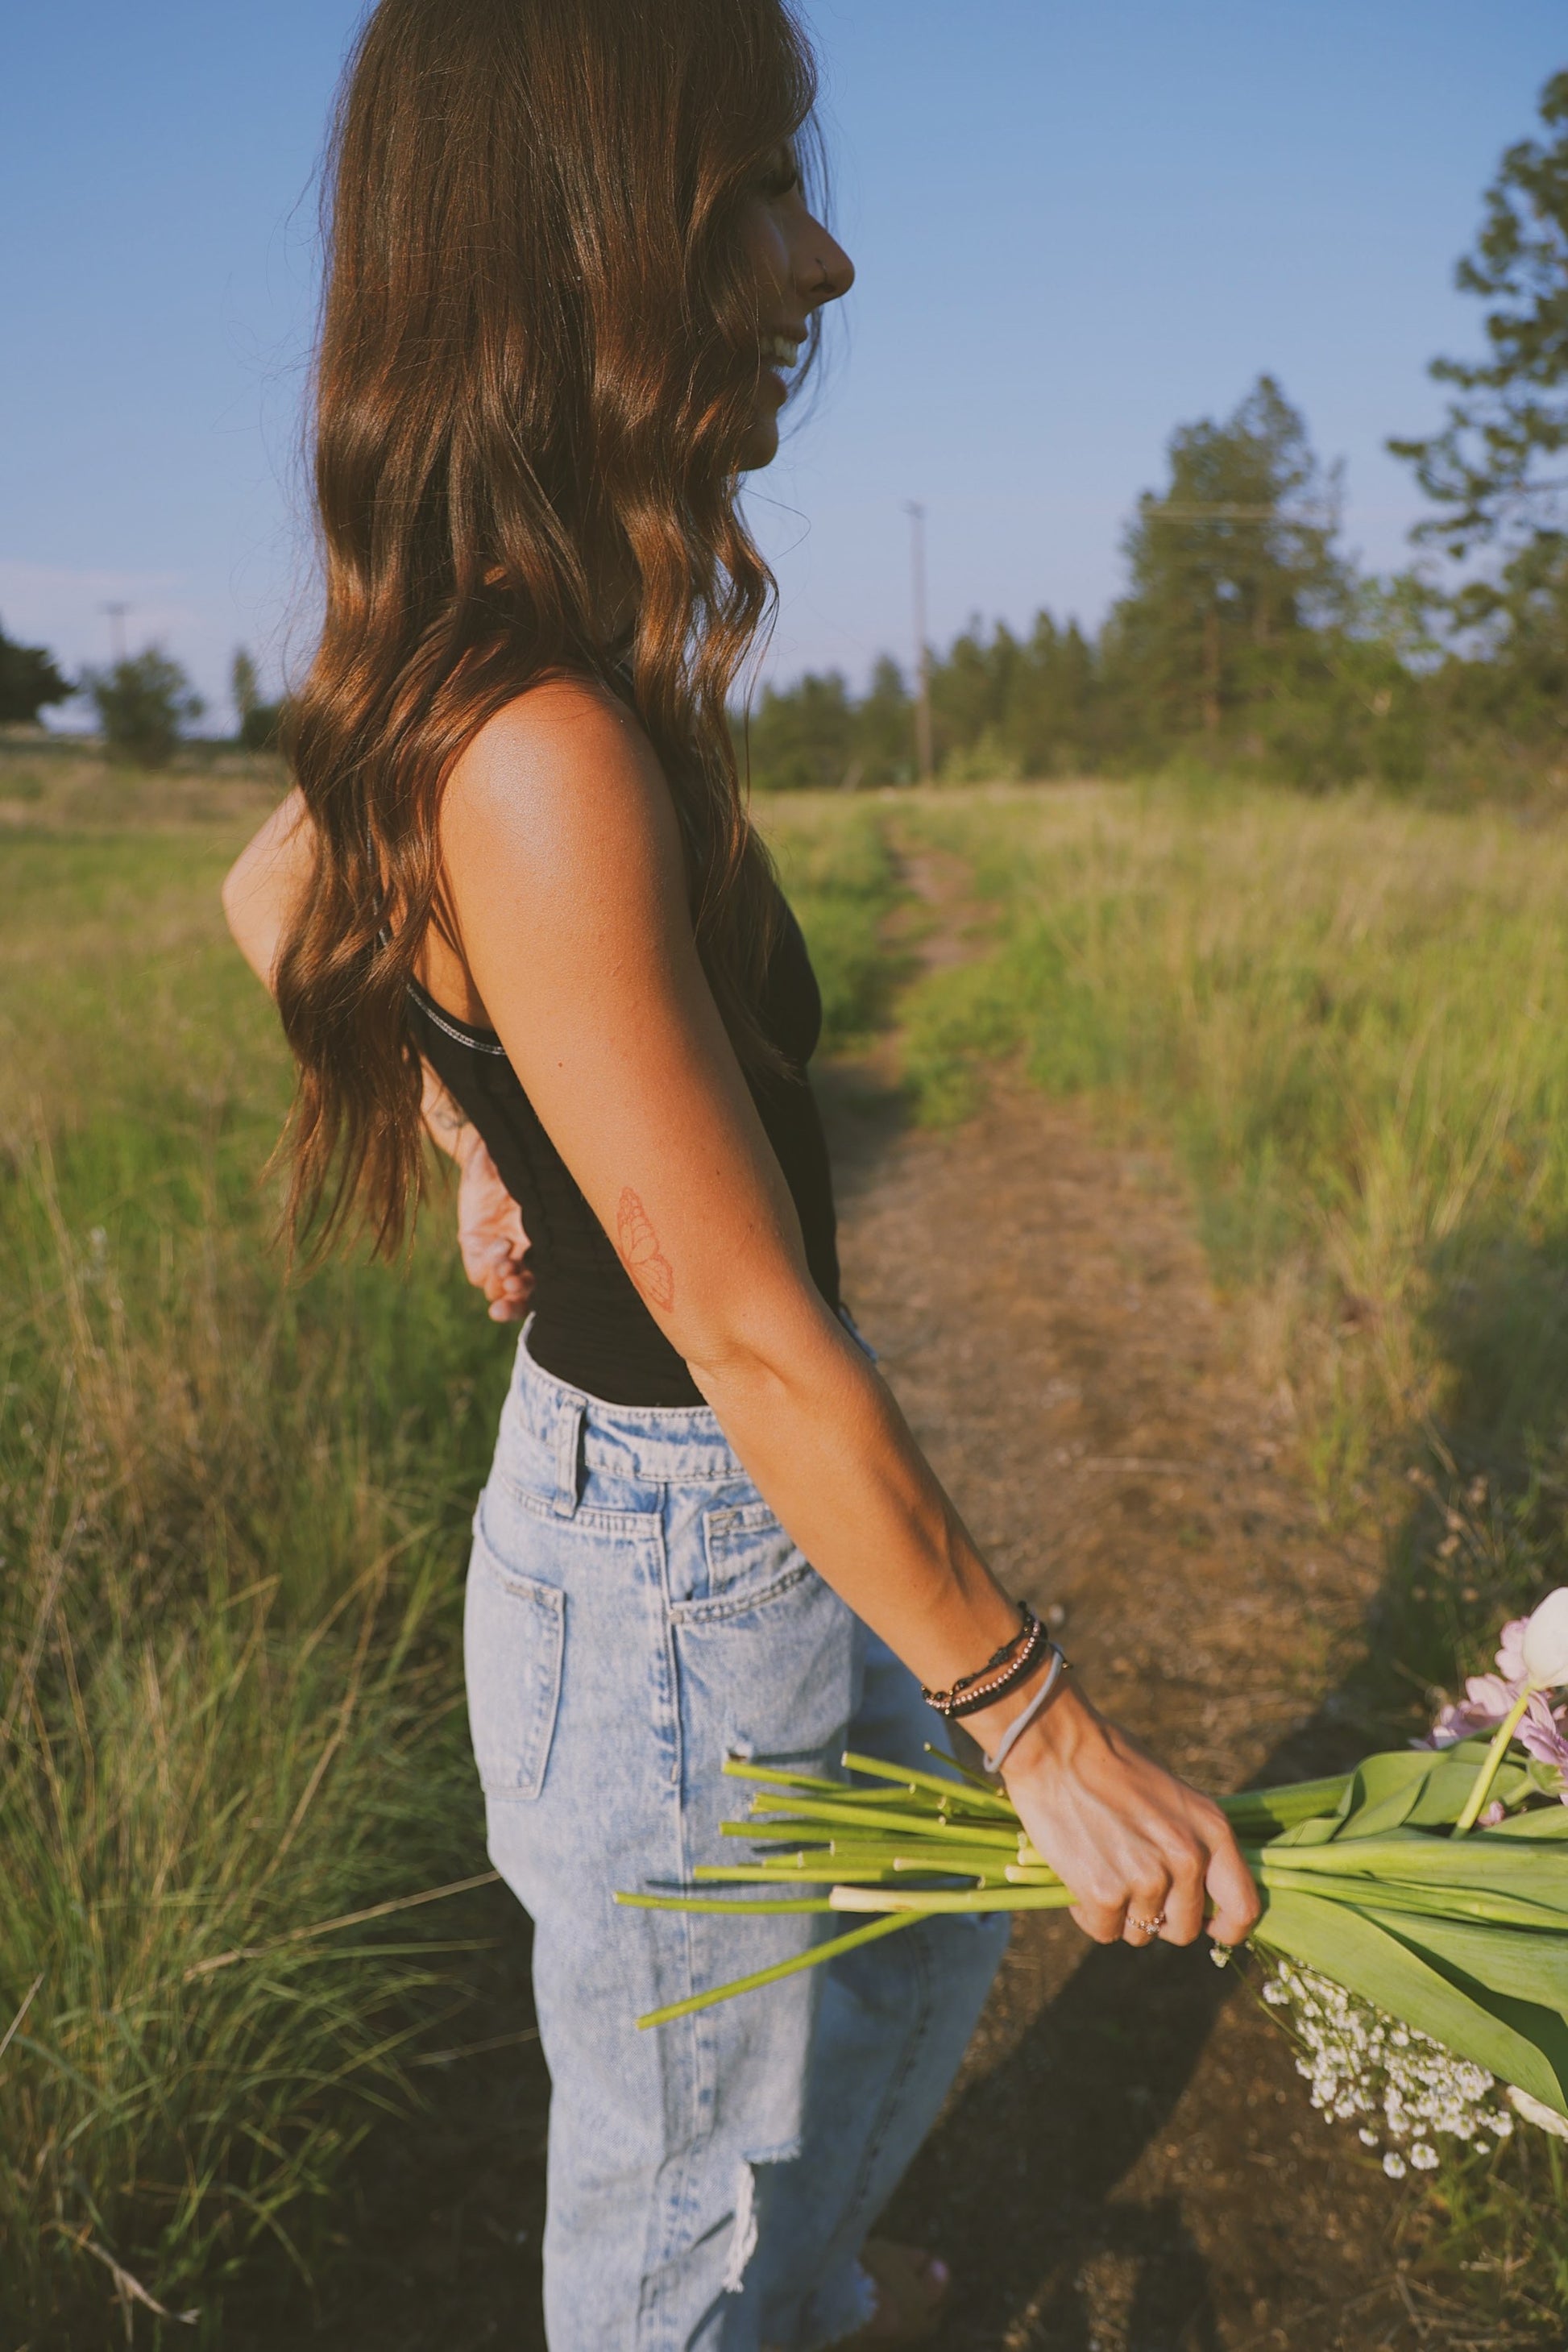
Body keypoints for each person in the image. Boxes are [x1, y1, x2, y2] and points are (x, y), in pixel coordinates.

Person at [222, 3, 1261, 2345]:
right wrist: (1051, 1729)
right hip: (687, 1553)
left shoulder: (518, 654)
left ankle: (798, 2289)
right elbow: (746, 1326)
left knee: (899, 1982)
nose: (824, 261)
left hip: (726, 1522)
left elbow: (270, 891)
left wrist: (482, 1121)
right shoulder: (537, 735)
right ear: (589, 241)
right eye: (759, 196)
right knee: (684, 2202)